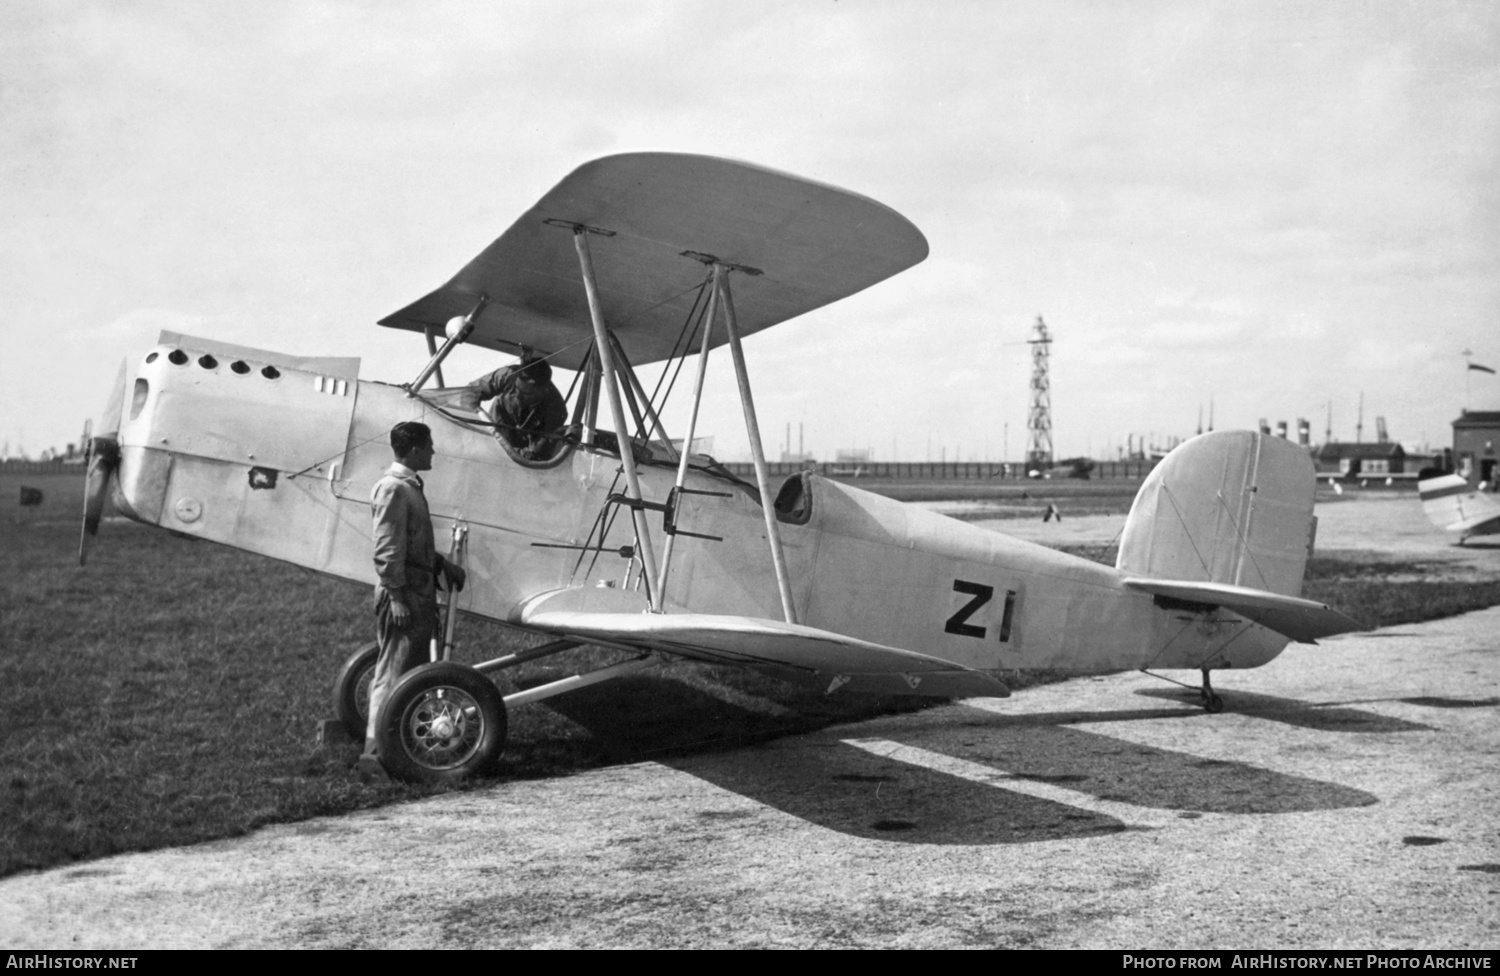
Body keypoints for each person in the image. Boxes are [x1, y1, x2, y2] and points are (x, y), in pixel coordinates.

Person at [360, 421, 465, 780]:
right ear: (416, 450)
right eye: (430, 446)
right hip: (404, 595)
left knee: (407, 673)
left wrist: (442, 564)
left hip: (416, 590)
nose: (434, 452)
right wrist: (398, 598)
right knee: (392, 675)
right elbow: (387, 551)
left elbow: (412, 542)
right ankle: (374, 755)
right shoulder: (394, 489)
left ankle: (399, 748)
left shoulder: (408, 488)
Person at [460, 354, 568, 459]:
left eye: (526, 393)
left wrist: (501, 452)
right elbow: (470, 392)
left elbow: (535, 453)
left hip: (522, 446)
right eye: (517, 389)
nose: (518, 396)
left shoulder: (556, 410)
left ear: (542, 392)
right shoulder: (507, 374)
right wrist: (472, 419)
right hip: (498, 424)